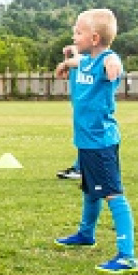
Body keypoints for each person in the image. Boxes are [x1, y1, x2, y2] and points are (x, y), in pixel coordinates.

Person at [52, 9, 138, 274]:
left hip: (101, 143)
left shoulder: (105, 60)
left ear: (94, 37)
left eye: (78, 32)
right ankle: (86, 234)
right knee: (90, 191)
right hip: (86, 142)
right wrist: (65, 64)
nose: (73, 35)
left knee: (113, 194)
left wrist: (114, 63)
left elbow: (112, 62)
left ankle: (127, 255)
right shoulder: (86, 61)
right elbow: (78, 63)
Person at [55, 44, 82, 182]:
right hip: (79, 106)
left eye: (78, 33)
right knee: (83, 137)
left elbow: (81, 61)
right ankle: (80, 167)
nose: (74, 38)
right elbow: (64, 74)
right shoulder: (78, 58)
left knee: (88, 137)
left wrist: (68, 59)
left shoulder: (92, 57)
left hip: (88, 107)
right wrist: (66, 62)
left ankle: (81, 168)